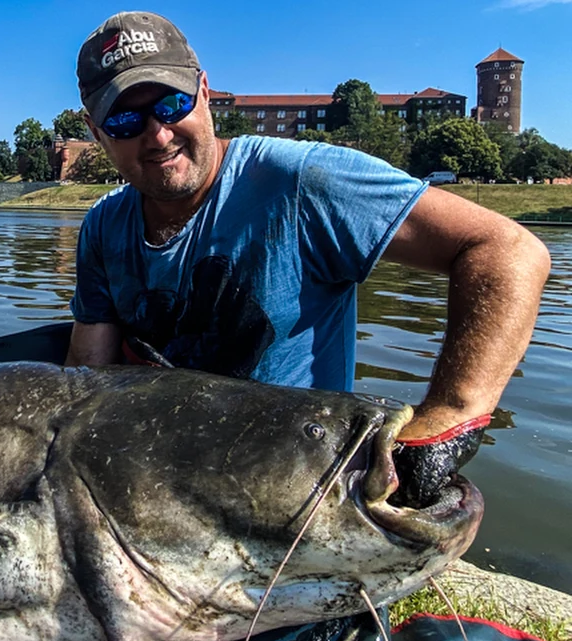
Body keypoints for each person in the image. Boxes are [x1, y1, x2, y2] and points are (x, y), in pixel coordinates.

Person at [66, 11, 550, 506]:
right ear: (96, 131)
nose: (158, 135)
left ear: (203, 91)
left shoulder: (302, 182)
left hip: (290, 490)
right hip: (157, 481)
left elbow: (508, 250)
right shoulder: (104, 226)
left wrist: (450, 415)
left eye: (172, 104)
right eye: (124, 120)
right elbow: (88, 379)